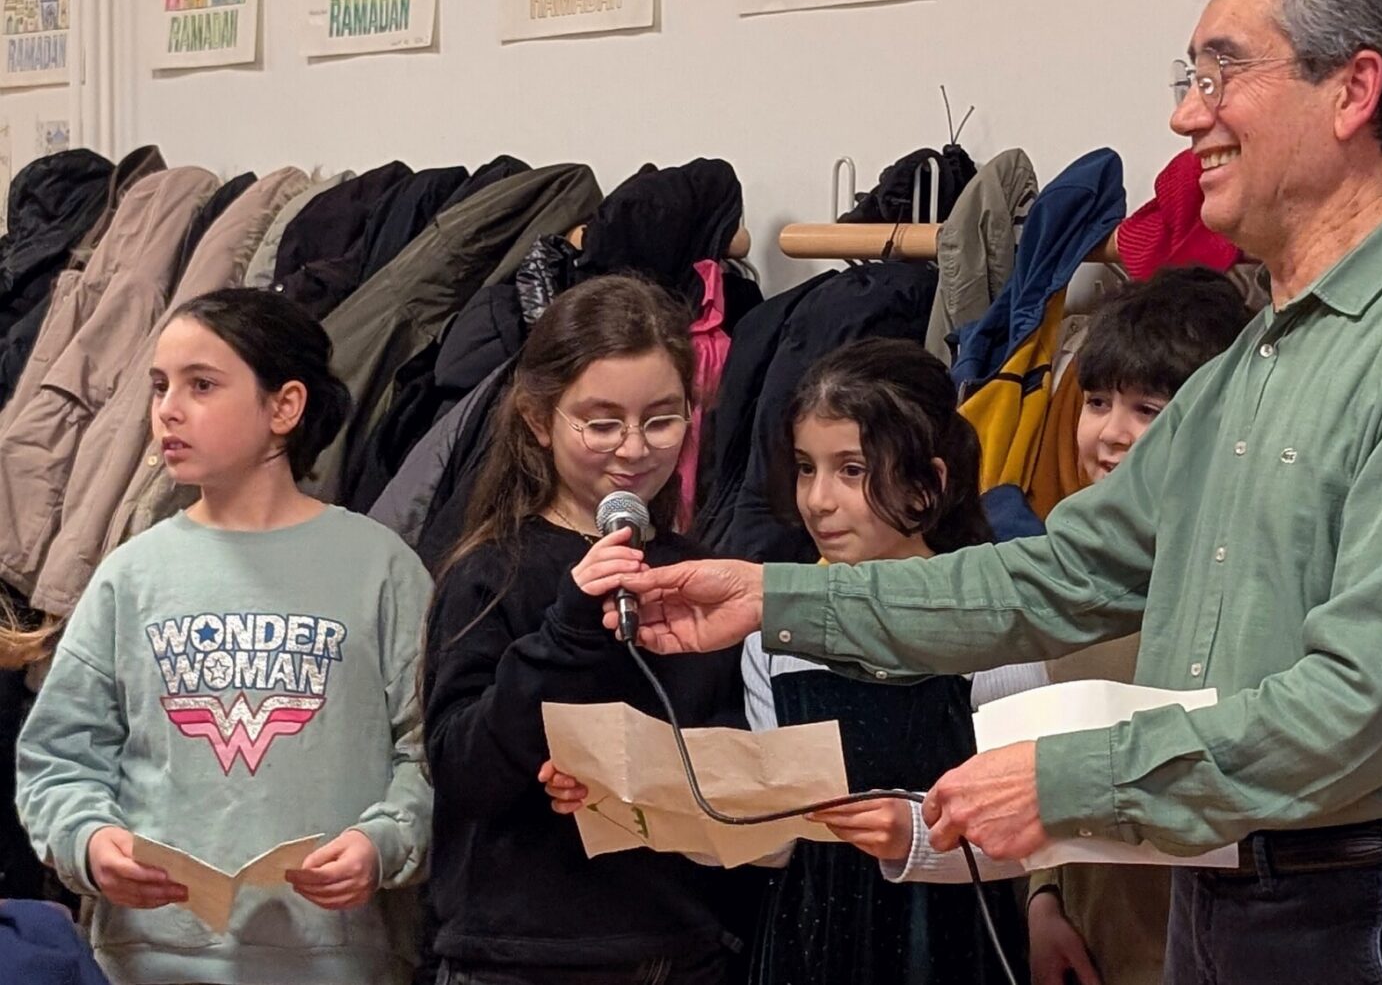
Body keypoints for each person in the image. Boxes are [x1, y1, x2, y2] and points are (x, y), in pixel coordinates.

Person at [593, 0, 1382, 983]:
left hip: (1381, 911)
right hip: (1227, 891)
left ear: (1353, 90)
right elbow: (1059, 574)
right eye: (1190, 79)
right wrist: (770, 598)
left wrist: (1064, 783)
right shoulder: (1255, 363)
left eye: (1221, 74)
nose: (1187, 116)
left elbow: (1360, 705)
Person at [545, 338, 1029, 984]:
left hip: (945, 942)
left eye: (851, 470)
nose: (818, 499)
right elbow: (771, 836)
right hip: (807, 940)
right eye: (805, 468)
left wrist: (916, 834)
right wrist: (629, 797)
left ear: (927, 484)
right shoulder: (772, 634)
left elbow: (1033, 829)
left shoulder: (993, 623)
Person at [14, 288, 433, 985]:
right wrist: (90, 840)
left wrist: (384, 841)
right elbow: (59, 754)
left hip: (338, 960)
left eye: (201, 385)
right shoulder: (131, 574)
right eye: (159, 386)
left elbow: (427, 750)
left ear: (284, 407)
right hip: (149, 961)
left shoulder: (381, 568)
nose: (168, 410)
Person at [422, 274, 763, 985]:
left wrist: (666, 772)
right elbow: (462, 771)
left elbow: (734, 748)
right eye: (602, 424)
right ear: (538, 419)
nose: (633, 449)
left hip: (683, 949)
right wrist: (567, 632)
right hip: (523, 958)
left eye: (661, 420)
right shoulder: (493, 570)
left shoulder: (698, 574)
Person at [1028, 270, 1252, 985]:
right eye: (1097, 402)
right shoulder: (1069, 570)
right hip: (1094, 938)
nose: (1109, 434)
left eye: (1147, 410)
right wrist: (1043, 899)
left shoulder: (1244, 584)